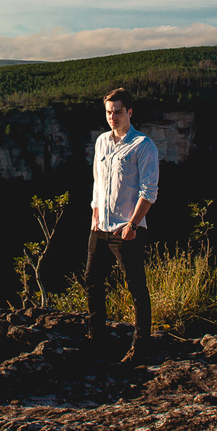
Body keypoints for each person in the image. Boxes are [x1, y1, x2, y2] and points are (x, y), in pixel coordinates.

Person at [84, 88, 159, 366]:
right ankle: (97, 340)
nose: (112, 117)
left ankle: (140, 349)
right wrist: (94, 215)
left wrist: (133, 225)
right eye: (108, 112)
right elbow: (97, 181)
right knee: (92, 281)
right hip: (100, 226)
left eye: (117, 111)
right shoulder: (102, 142)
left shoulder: (143, 145)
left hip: (126, 230)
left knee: (136, 288)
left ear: (129, 112)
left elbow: (149, 191)